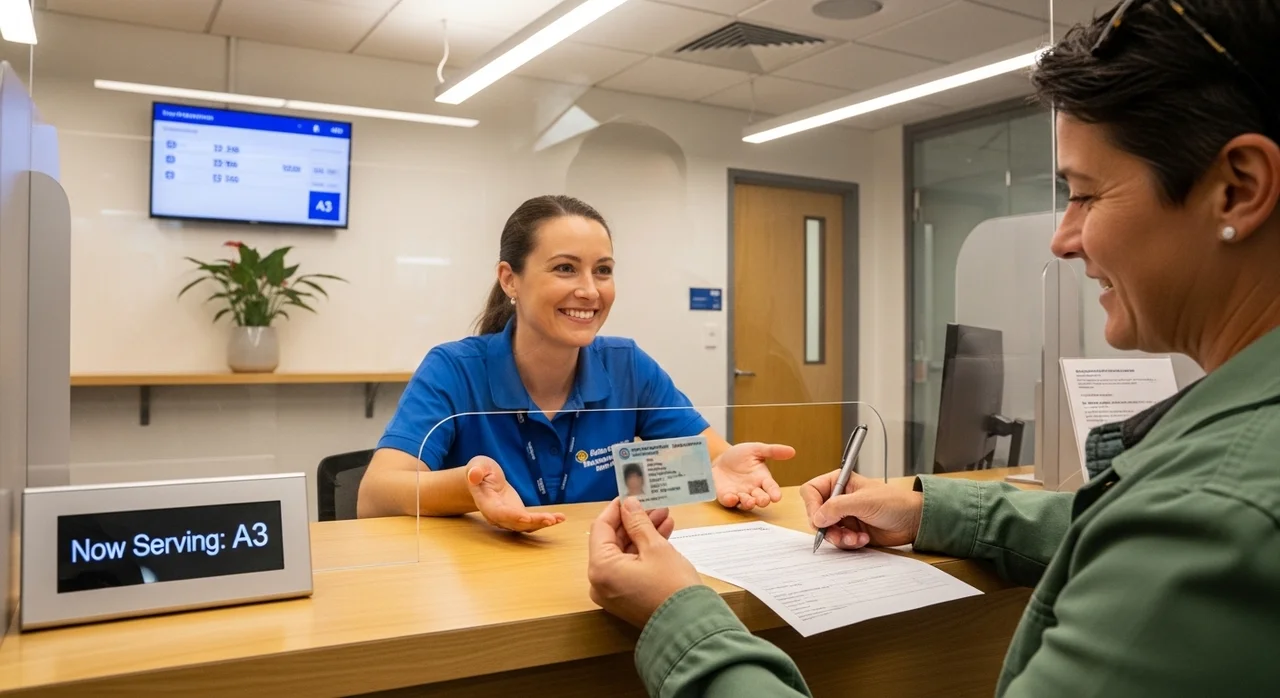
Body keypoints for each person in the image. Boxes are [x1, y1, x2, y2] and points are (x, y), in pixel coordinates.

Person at [586, 2, 1280, 696]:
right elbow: (1119, 525)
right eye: (564, 269)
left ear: (1238, 189)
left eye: (1087, 195)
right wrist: (931, 510)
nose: (1062, 238)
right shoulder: (470, 369)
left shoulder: (1216, 517)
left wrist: (683, 623)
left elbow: (1165, 528)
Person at [357, 194, 794, 529]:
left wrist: (714, 470)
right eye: (565, 268)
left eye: (602, 270)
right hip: (482, 587)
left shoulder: (627, 364)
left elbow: (708, 462)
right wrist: (470, 488)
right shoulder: (454, 369)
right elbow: (374, 496)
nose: (590, 290)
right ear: (511, 278)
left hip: (599, 576)